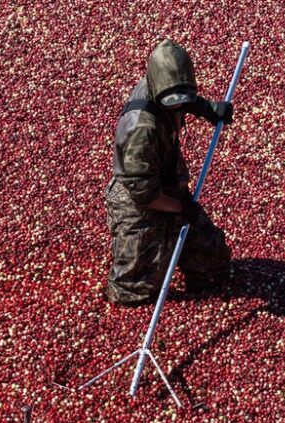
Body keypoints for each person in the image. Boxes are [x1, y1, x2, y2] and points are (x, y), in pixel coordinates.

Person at [103, 39, 234, 306]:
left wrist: (207, 109)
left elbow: (180, 96)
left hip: (169, 184)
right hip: (137, 201)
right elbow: (143, 193)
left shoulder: (166, 87)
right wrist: (180, 208)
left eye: (184, 99)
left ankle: (192, 265)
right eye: (172, 101)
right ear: (156, 88)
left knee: (213, 265)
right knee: (134, 288)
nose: (178, 106)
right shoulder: (140, 129)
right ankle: (136, 267)